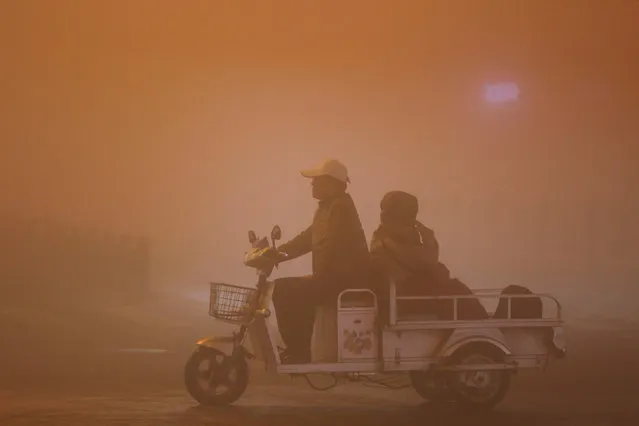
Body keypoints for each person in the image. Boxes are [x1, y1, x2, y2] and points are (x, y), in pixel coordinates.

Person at [270, 159, 371, 364]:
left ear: (333, 184)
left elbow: (335, 248)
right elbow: (307, 239)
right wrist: (276, 254)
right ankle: (298, 350)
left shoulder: (339, 209)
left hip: (344, 281)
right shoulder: (327, 208)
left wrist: (318, 276)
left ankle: (299, 352)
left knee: (284, 289)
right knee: (288, 289)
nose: (312, 184)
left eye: (317, 181)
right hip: (335, 278)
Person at [369, 190, 488, 321]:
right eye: (409, 216)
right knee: (455, 290)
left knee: (453, 289)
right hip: (404, 298)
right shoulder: (387, 241)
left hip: (405, 295)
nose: (412, 221)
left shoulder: (390, 237)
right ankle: (484, 325)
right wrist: (428, 238)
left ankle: (482, 324)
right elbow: (426, 262)